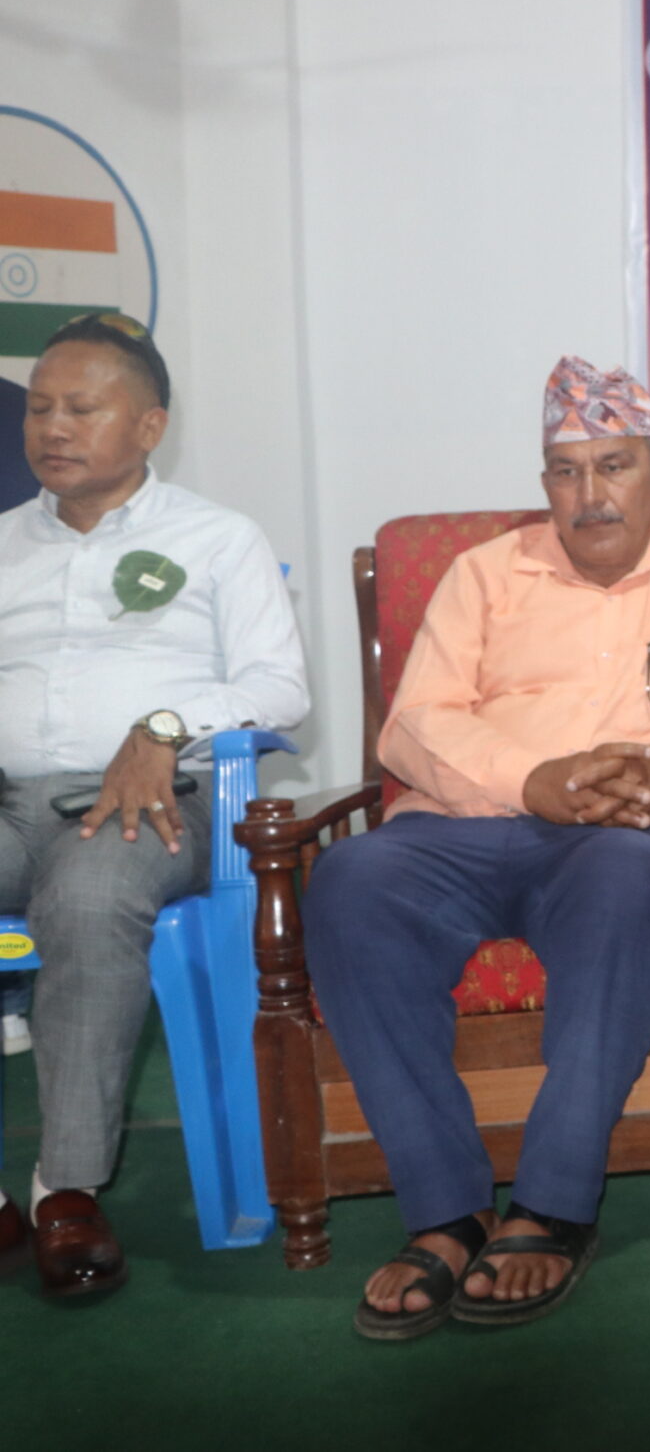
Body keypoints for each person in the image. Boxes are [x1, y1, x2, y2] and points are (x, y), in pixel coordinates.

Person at [303, 358, 650, 1338]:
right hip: (458, 829)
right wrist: (533, 781)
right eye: (566, 471)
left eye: (615, 466)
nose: (590, 493)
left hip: (617, 840)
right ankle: (446, 1210)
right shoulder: (484, 572)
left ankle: (553, 1202)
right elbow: (414, 724)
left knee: (632, 874)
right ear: (545, 484)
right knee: (347, 880)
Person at [0, 313, 308, 1298]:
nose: (53, 427)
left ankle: (64, 1189)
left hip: (151, 802)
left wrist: (165, 725)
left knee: (90, 899)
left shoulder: (218, 539)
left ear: (149, 427)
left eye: (82, 408)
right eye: (40, 408)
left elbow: (280, 688)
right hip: (8, 800)